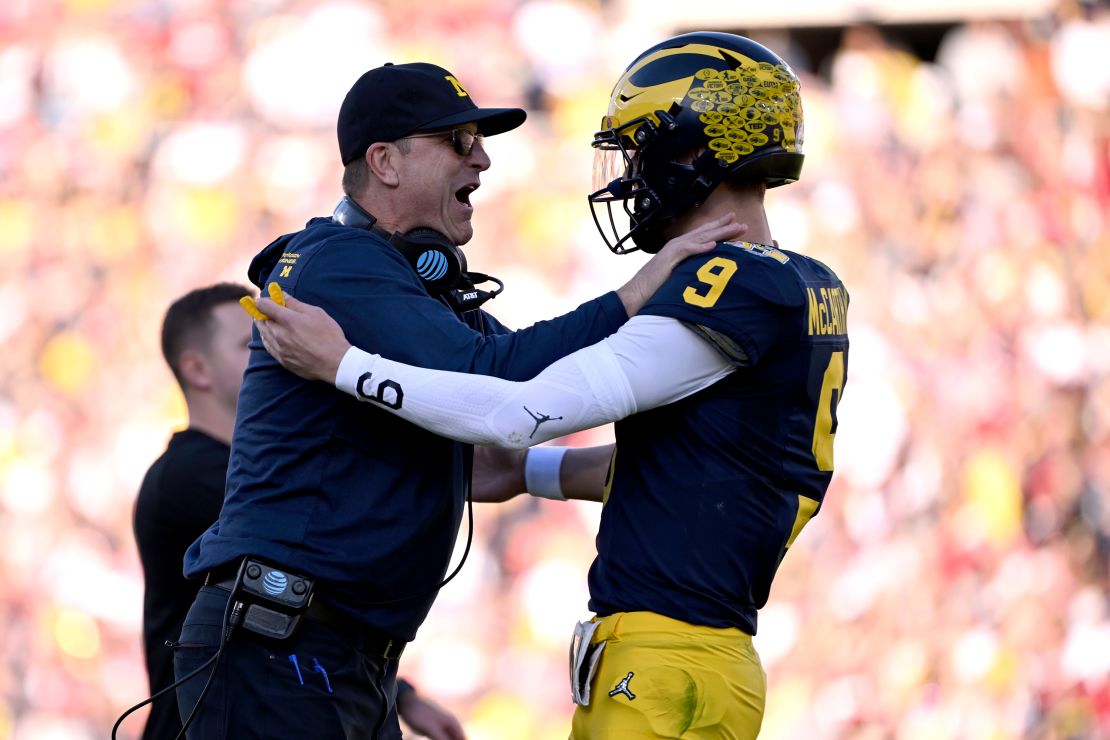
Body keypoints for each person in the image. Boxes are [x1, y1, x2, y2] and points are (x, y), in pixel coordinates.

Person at [249, 33, 849, 740]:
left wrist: (345, 367)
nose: (631, 171)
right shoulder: (808, 280)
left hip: (658, 662)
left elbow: (515, 410)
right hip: (719, 662)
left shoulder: (726, 282)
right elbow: (693, 468)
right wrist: (530, 475)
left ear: (694, 148)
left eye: (641, 147)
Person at [133, 284, 466, 740]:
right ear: (197, 369)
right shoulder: (187, 475)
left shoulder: (265, 470)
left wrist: (401, 694)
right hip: (214, 716)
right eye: (249, 341)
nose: (269, 348)